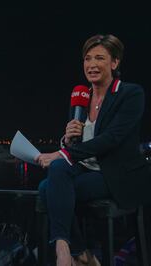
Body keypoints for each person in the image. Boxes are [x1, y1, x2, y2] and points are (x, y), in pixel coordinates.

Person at [36, 34, 151, 266]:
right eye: (87, 58)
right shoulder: (81, 96)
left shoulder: (131, 93)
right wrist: (67, 141)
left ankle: (72, 252)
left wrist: (64, 154)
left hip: (117, 174)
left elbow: (112, 139)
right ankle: (71, 250)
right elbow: (77, 147)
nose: (92, 64)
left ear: (114, 63)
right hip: (87, 169)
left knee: (48, 188)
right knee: (55, 174)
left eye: (100, 58)